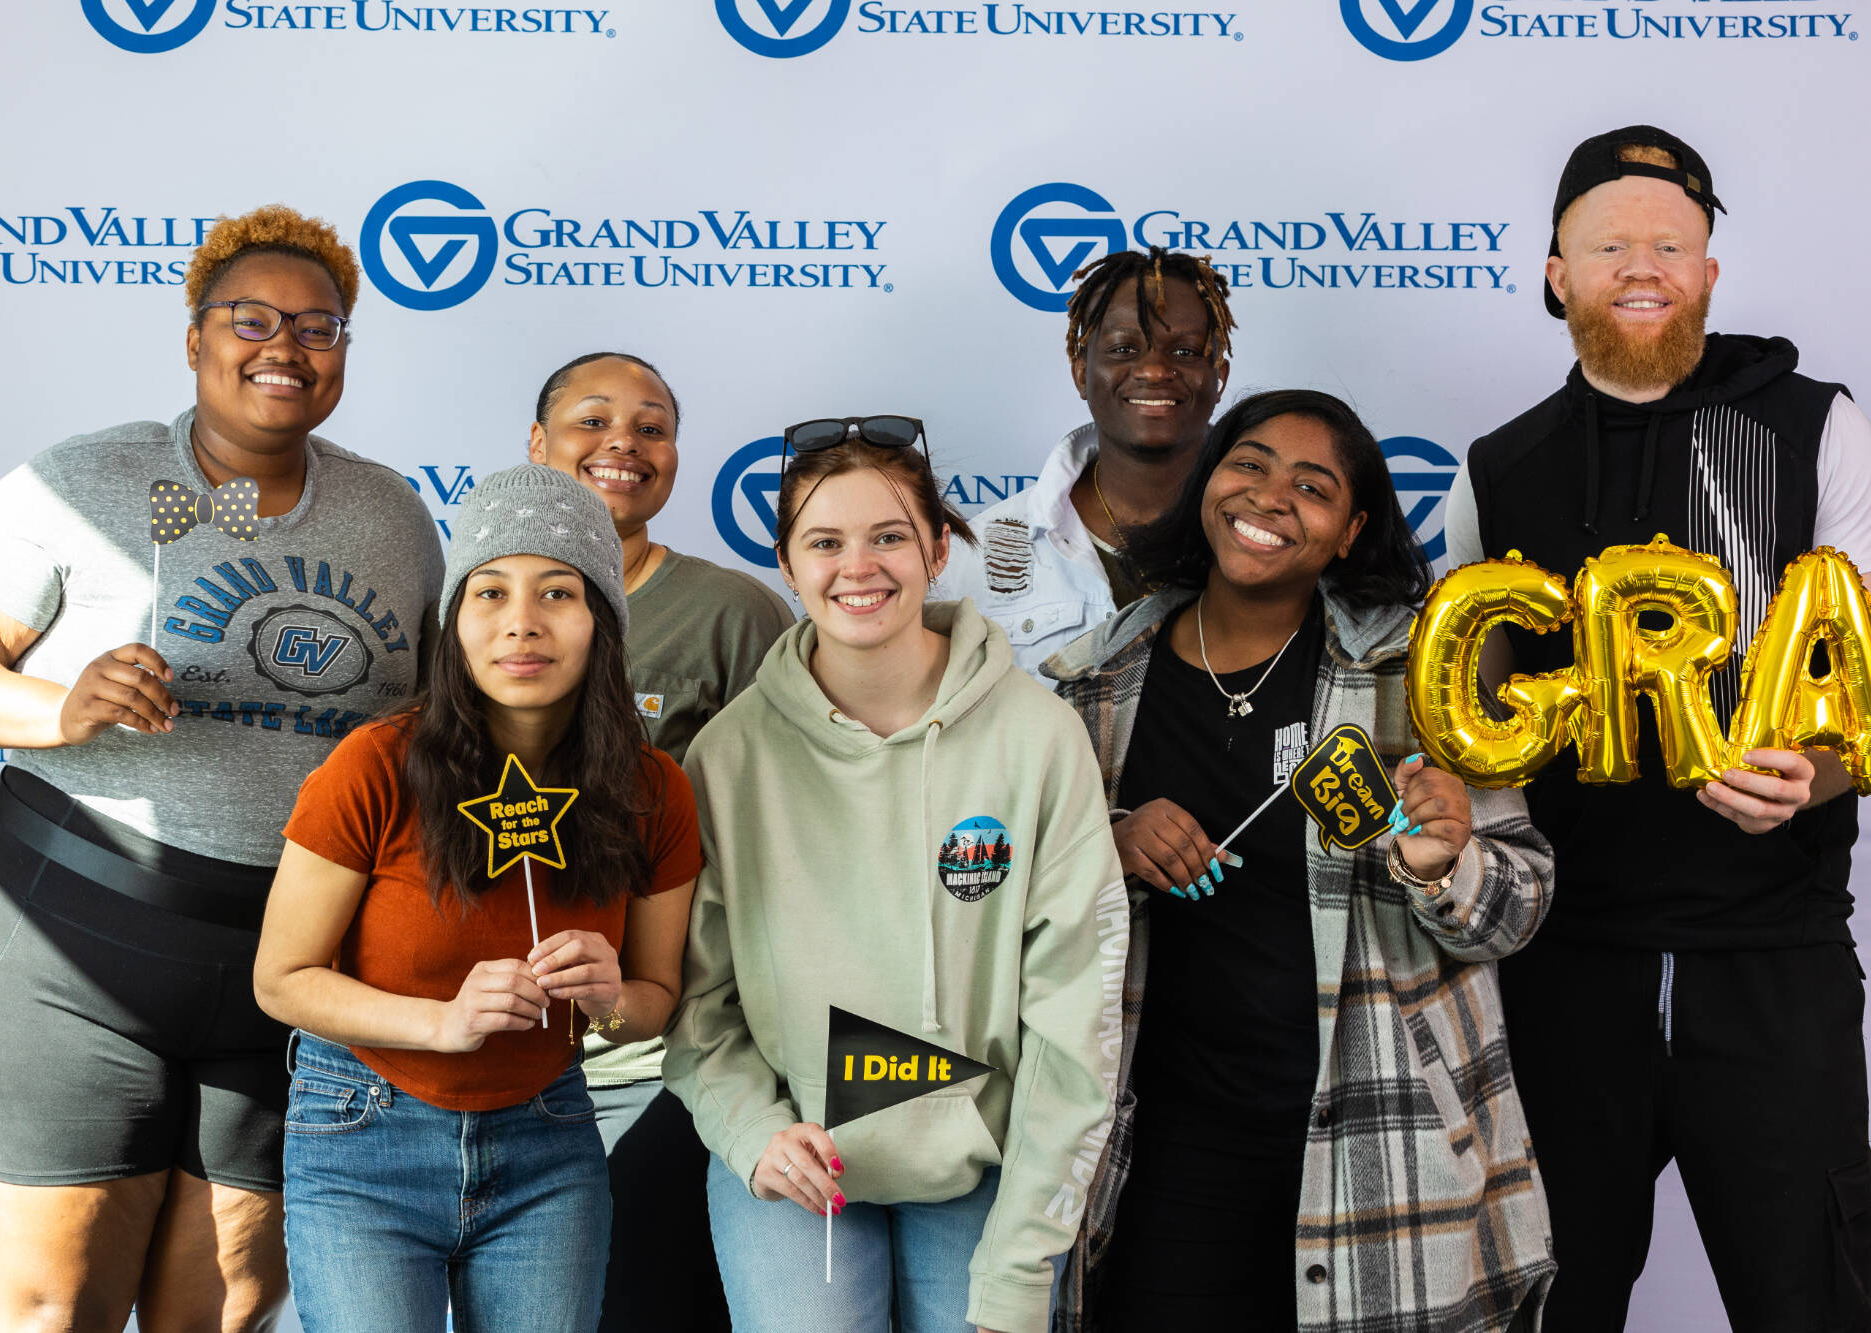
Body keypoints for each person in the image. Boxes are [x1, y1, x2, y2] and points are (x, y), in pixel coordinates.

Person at [0, 205, 440, 1332]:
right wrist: (61, 705)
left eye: (319, 326)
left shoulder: (391, 513)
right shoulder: (87, 478)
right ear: (194, 337)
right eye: (251, 317)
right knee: (55, 1317)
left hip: (290, 968)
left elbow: (420, 730)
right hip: (74, 945)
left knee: (223, 1318)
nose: (285, 345)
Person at [1444, 125, 1871, 1330]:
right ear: (1554, 273)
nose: (1644, 266)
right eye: (1610, 243)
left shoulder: (1813, 426)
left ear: (1709, 275)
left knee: (1811, 1300)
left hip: (1771, 960)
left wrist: (1816, 776)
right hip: (1563, 969)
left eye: (1672, 244)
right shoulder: (1495, 468)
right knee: (1552, 1301)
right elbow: (1464, 721)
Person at [1048, 390, 1556, 1330]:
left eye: (1312, 486)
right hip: (1169, 1151)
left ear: (1352, 529)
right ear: (1208, 483)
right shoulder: (1097, 682)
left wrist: (1447, 861)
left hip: (1385, 1147)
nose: (1272, 496)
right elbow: (1025, 911)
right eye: (1249, 464)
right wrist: (1108, 840)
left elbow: (1518, 908)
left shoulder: (1419, 672)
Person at [664, 416, 1125, 1333]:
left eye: (889, 537)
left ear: (940, 550)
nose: (858, 567)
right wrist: (751, 1131)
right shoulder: (726, 755)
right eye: (825, 542)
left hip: (979, 1164)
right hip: (797, 1158)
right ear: (788, 568)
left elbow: (1075, 1022)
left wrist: (1024, 1256)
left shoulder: (1038, 737)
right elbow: (697, 1001)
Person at [253, 463, 701, 1332]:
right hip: (362, 1133)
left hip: (547, 1137)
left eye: (558, 592)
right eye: (489, 592)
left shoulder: (654, 789)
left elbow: (654, 1001)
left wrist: (610, 999)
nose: (521, 623)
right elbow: (282, 979)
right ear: (455, 620)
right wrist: (442, 1022)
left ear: (602, 619)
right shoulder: (375, 765)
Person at [527, 350, 792, 1332]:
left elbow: (795, 821)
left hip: (667, 1052)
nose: (622, 446)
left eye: (649, 426)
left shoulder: (732, 613)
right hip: (503, 1053)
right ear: (536, 445)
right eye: (591, 420)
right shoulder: (467, 610)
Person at [939, 246, 1235, 681]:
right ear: (1081, 373)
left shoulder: (1267, 537)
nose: (1154, 370)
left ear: (1219, 377)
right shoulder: (984, 552)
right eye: (1123, 348)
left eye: (1186, 352)